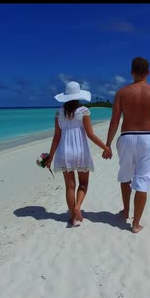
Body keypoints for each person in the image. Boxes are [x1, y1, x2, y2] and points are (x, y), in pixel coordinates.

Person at [103, 57, 150, 233]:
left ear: (131, 72)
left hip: (126, 137)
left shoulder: (122, 93)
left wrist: (107, 144)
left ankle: (125, 211)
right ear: (148, 72)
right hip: (147, 138)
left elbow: (114, 121)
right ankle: (136, 224)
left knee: (125, 176)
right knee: (143, 180)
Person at [45, 81, 112, 227]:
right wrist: (105, 147)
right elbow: (90, 134)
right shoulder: (84, 111)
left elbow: (56, 138)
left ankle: (72, 217)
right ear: (78, 95)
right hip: (81, 151)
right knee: (83, 183)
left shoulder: (59, 113)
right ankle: (77, 206)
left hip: (64, 152)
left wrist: (50, 156)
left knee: (69, 186)